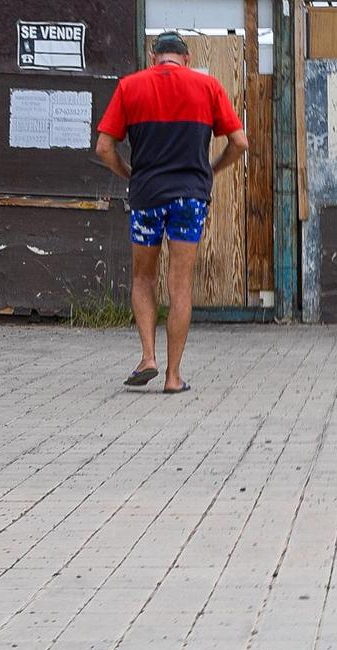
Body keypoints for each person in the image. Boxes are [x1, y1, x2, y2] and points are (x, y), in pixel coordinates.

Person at [95, 31, 248, 394]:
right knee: (180, 286)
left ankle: (148, 356)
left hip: (147, 196)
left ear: (153, 57)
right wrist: (211, 169)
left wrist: (130, 174)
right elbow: (240, 143)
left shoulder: (130, 87)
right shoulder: (208, 86)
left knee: (143, 279)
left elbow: (104, 147)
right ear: (187, 57)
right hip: (190, 198)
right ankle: (172, 377)